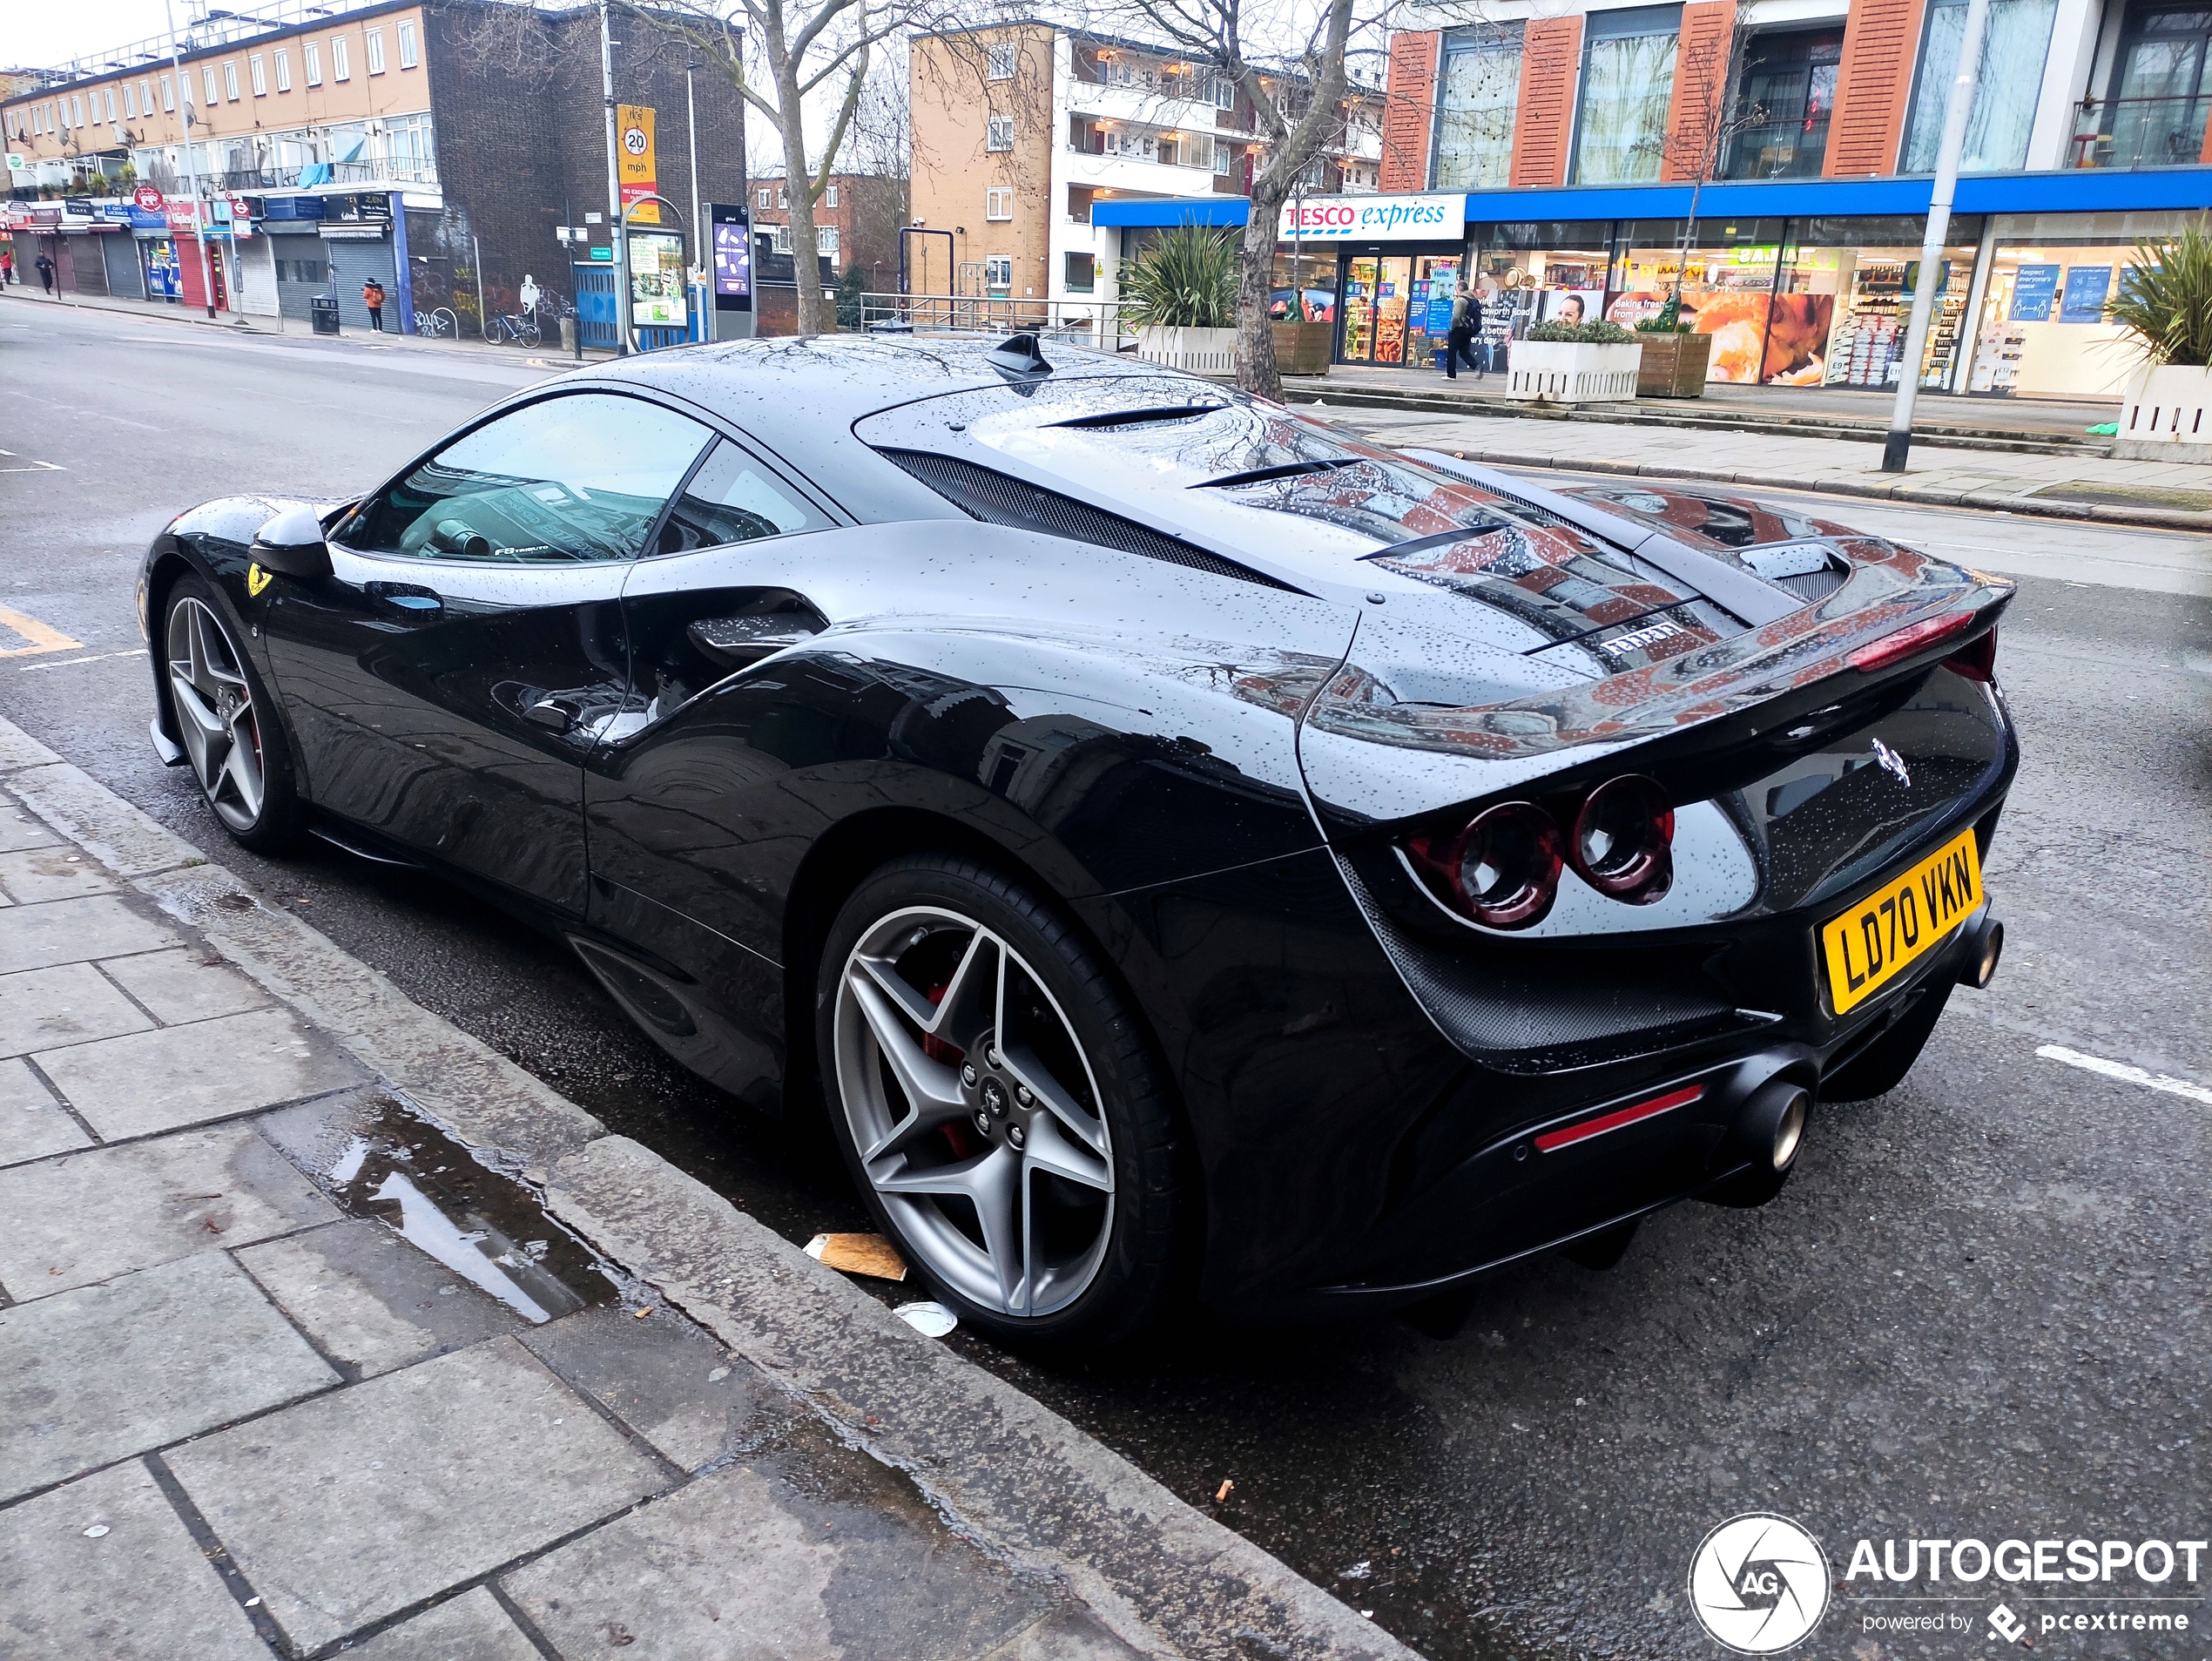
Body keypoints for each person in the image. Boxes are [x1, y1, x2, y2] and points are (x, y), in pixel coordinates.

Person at [1444, 281, 1483, 380]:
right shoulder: (1471, 298)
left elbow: (1456, 317)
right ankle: (1476, 366)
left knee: (1452, 351)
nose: (1455, 290)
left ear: (1460, 289)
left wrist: (1451, 329)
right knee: (1464, 351)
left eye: (1456, 288)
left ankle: (1451, 374)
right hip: (1467, 329)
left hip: (1458, 329)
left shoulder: (1460, 300)